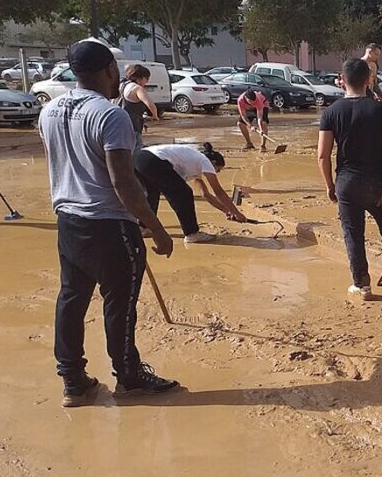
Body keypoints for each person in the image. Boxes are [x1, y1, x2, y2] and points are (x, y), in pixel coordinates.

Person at [38, 38, 178, 407]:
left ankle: (73, 379)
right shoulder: (109, 115)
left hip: (69, 220)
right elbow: (124, 181)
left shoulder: (49, 111)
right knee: (120, 303)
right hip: (110, 224)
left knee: (71, 297)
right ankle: (129, 375)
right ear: (110, 71)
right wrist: (156, 228)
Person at [317, 58, 382, 301]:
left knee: (353, 234)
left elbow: (323, 155)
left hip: (347, 183)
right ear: (369, 80)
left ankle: (361, 285)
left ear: (342, 81)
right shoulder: (381, 110)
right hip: (378, 184)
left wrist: (329, 186)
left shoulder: (331, 113)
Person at [134, 143, 247, 244]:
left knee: (152, 193)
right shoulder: (204, 161)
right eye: (217, 169)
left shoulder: (194, 164)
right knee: (184, 194)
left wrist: (226, 210)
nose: (216, 173)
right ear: (213, 163)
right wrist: (237, 213)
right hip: (152, 159)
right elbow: (219, 192)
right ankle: (192, 233)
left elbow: (205, 194)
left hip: (139, 158)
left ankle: (143, 227)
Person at [119, 64, 160, 151]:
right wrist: (155, 116)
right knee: (136, 150)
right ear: (140, 78)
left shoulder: (122, 85)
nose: (147, 82)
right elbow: (150, 104)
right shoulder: (137, 88)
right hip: (133, 125)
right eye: (147, 79)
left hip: (120, 122)